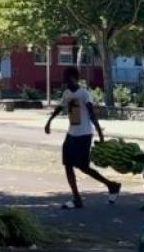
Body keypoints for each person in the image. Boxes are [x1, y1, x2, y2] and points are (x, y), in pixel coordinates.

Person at [45, 67, 121, 209]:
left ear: (74, 78)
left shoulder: (84, 94)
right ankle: (77, 198)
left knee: (84, 167)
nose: (65, 82)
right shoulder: (67, 93)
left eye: (67, 79)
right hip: (71, 134)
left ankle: (112, 185)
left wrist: (100, 132)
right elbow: (60, 108)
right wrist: (49, 121)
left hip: (84, 134)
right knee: (67, 165)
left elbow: (91, 113)